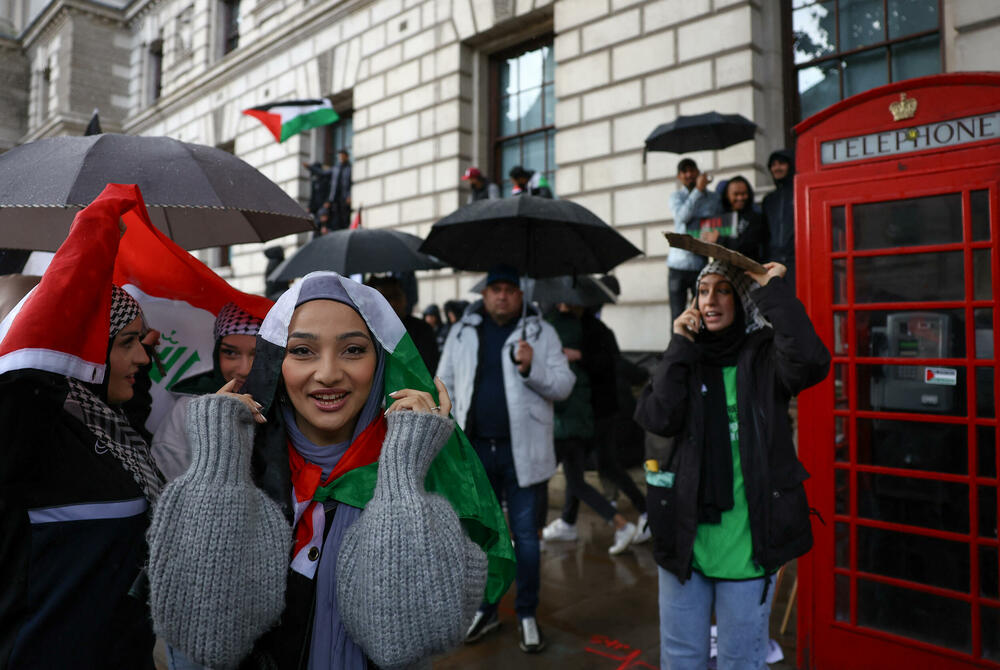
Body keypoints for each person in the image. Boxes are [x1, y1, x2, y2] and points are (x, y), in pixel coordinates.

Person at [148, 272, 513, 670]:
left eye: (353, 350)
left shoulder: (425, 474)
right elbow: (202, 642)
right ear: (277, 364)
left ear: (381, 362)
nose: (327, 374)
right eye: (302, 350)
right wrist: (217, 467)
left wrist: (404, 475)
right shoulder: (238, 471)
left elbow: (410, 642)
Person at [634, 259, 830, 670]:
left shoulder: (764, 358)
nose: (710, 300)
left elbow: (812, 360)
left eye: (723, 290)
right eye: (703, 291)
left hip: (748, 546)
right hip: (684, 544)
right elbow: (657, 417)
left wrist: (771, 290)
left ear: (741, 300)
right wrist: (679, 346)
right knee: (681, 660)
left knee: (740, 661)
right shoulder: (683, 358)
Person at [0, 190, 164, 669]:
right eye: (128, 342)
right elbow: (28, 378)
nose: (143, 357)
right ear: (84, 350)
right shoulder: (31, 428)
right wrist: (92, 241)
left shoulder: (110, 424)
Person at [437, 265, 574, 653]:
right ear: (484, 294)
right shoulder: (463, 332)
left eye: (510, 290)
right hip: (476, 451)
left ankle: (527, 612)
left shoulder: (541, 332)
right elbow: (441, 381)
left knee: (527, 538)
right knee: (483, 539)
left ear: (520, 295)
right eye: (495, 289)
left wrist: (532, 368)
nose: (501, 296)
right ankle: (487, 607)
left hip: (523, 453)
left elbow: (564, 385)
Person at [541, 302, 643, 554]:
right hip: (586, 417)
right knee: (576, 476)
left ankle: (537, 535)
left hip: (580, 419)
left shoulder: (583, 331)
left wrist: (578, 357)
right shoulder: (582, 329)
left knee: (544, 478)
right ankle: (569, 522)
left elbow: (606, 367)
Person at [151, 302, 262, 480]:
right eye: (230, 353)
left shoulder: (293, 403)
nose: (244, 369)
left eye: (257, 354)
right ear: (216, 354)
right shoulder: (188, 409)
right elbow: (166, 483)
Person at [668, 158, 722, 322]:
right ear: (679, 176)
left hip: (700, 262)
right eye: (684, 171)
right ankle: (678, 347)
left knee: (701, 311)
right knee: (677, 315)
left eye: (692, 170)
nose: (689, 174)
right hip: (678, 264)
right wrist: (698, 190)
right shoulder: (676, 197)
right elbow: (682, 217)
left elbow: (718, 222)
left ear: (698, 173)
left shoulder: (713, 198)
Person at [366, 275, 439, 373]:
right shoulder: (366, 329)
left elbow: (427, 368)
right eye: (385, 298)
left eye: (396, 296)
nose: (392, 303)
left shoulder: (422, 330)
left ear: (404, 298)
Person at [704, 175, 768, 262]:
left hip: (748, 270)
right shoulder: (719, 218)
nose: (740, 198)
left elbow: (747, 246)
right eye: (736, 194)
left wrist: (718, 239)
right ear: (727, 195)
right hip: (722, 269)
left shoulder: (756, 218)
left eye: (743, 194)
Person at [762, 149, 796, 290]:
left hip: (797, 261)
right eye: (773, 165)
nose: (777, 168)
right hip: (774, 262)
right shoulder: (769, 199)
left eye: (781, 163)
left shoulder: (799, 192)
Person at [324, 149, 352, 231]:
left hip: (345, 198)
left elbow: (352, 183)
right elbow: (323, 173)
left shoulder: (350, 168)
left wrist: (349, 195)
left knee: (345, 218)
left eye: (342, 156)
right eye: (339, 156)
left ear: (346, 157)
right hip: (335, 199)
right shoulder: (335, 169)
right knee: (336, 219)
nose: (340, 158)